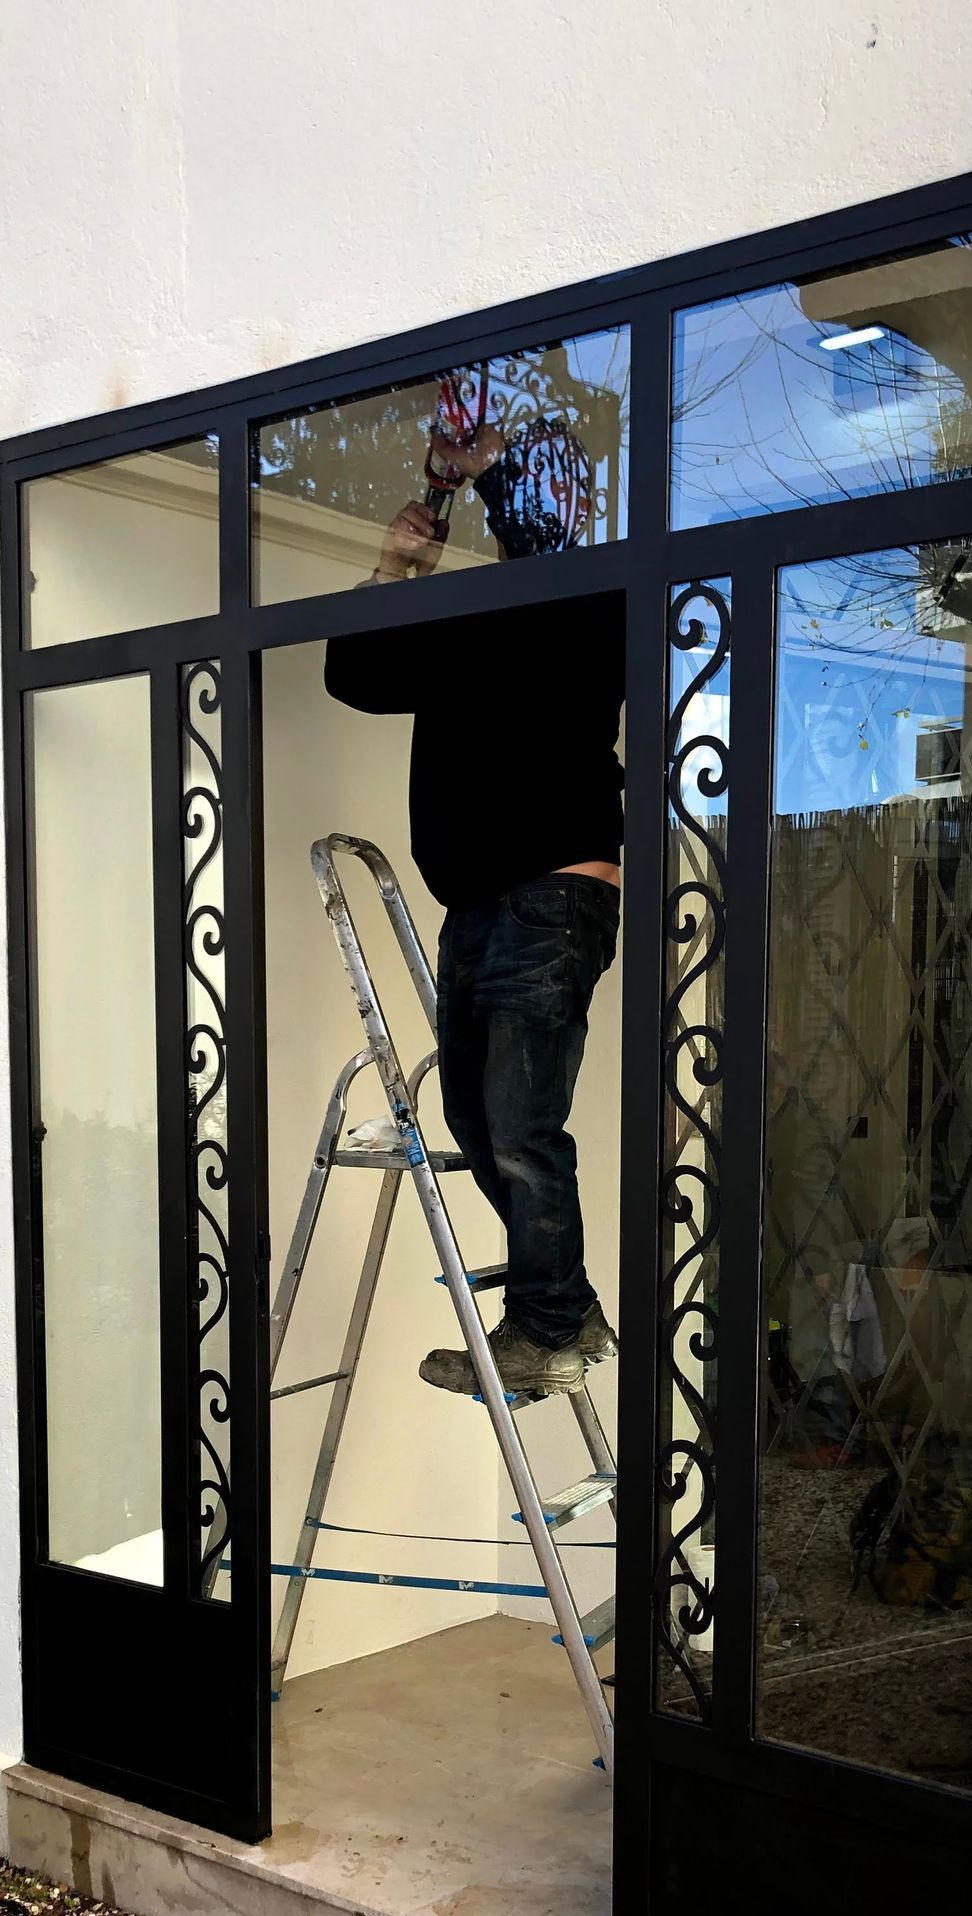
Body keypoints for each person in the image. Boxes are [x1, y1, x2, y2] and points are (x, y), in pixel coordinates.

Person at [324, 412, 624, 1400]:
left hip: (550, 895)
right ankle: (564, 1310)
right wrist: (396, 564)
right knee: (473, 1112)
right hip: (483, 904)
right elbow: (356, 673)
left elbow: (539, 538)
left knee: (518, 1122)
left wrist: (479, 478)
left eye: (520, 485)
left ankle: (548, 1325)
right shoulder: (477, 614)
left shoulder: (584, 599)